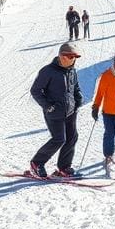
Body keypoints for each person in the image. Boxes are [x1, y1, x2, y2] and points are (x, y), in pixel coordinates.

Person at [28, 42, 84, 178]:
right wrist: (48, 106)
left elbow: (75, 88)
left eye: (75, 57)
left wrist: (78, 99)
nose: (73, 59)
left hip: (70, 110)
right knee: (59, 139)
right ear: (61, 56)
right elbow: (35, 91)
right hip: (54, 112)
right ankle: (37, 163)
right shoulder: (48, 71)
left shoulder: (72, 71)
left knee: (72, 138)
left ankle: (63, 167)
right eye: (70, 56)